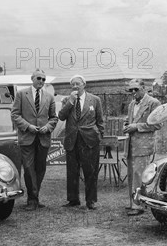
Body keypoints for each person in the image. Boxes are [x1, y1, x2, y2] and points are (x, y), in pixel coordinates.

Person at [11, 69, 58, 211]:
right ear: (32, 78)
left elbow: (54, 118)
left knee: (40, 168)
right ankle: (32, 199)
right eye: (39, 78)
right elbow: (15, 114)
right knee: (28, 168)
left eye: (44, 79)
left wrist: (48, 127)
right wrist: (28, 126)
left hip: (43, 138)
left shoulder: (49, 97)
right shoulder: (21, 94)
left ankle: (35, 197)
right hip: (27, 137)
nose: (41, 82)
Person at [58, 75, 104, 210]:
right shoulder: (67, 100)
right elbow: (61, 116)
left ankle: (91, 200)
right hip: (72, 140)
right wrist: (71, 101)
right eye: (72, 84)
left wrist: (99, 136)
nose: (75, 86)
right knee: (72, 171)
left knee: (90, 171)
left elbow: (100, 120)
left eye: (78, 84)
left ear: (84, 84)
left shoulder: (95, 100)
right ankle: (73, 199)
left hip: (89, 140)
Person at [123, 79, 162, 215]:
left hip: (144, 146)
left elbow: (158, 124)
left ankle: (138, 205)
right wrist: (127, 124)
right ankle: (133, 202)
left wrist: (137, 127)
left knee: (140, 175)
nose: (133, 92)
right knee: (132, 174)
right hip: (131, 145)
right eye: (131, 90)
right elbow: (130, 120)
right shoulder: (132, 104)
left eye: (136, 89)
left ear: (143, 88)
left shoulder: (153, 103)